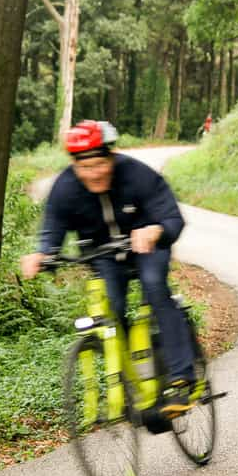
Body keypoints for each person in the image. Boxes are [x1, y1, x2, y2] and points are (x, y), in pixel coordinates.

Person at [21, 120, 197, 417]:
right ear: (74, 166)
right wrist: (42, 254)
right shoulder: (65, 188)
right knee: (111, 310)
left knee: (154, 287)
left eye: (100, 164)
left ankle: (182, 377)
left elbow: (172, 218)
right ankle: (139, 383)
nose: (94, 174)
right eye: (85, 168)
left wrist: (155, 230)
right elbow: (53, 228)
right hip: (103, 255)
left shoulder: (138, 175)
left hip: (146, 246)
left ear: (111, 157)